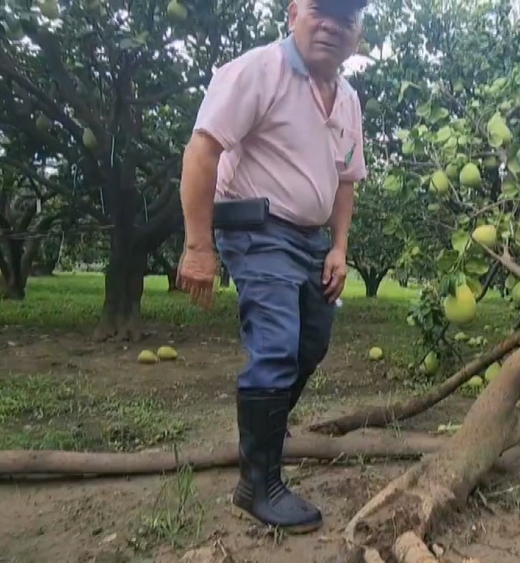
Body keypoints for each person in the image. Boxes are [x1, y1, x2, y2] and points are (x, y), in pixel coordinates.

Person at [175, 0, 368, 534]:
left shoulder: (348, 99)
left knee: (311, 345)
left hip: (311, 241)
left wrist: (339, 247)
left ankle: (266, 433)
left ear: (358, 32)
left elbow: (345, 180)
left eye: (347, 18)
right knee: (278, 345)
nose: (333, 26)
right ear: (292, 13)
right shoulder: (259, 71)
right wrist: (198, 247)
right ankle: (258, 483)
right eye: (321, 10)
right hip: (258, 230)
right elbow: (202, 152)